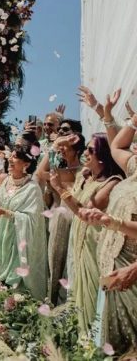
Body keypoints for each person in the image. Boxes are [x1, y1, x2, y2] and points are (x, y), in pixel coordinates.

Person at [50, 133, 123, 335]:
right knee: (75, 285)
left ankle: (91, 338)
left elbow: (85, 212)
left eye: (91, 150)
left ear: (103, 155)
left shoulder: (112, 182)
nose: (85, 153)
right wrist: (58, 144)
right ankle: (77, 336)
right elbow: (52, 168)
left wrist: (59, 189)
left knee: (90, 288)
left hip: (94, 243)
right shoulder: (85, 176)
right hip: (78, 238)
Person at [84, 109, 137, 354]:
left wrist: (113, 222)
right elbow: (117, 145)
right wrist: (133, 121)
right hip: (111, 263)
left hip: (130, 271)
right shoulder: (134, 168)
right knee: (111, 344)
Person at [0, 143, 48, 300]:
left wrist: (7, 213)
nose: (10, 160)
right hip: (1, 236)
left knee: (15, 281)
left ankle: (18, 306)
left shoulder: (32, 188)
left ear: (26, 164)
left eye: (16, 157)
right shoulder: (3, 179)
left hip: (19, 241)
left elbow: (34, 220)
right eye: (10, 156)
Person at [38, 133, 85, 304]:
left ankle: (63, 305)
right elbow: (41, 173)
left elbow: (41, 172)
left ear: (77, 150)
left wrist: (55, 144)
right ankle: (53, 303)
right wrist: (55, 145)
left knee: (66, 265)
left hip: (72, 220)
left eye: (66, 147)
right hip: (59, 219)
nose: (62, 149)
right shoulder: (61, 170)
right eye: (61, 147)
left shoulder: (80, 171)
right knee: (54, 262)